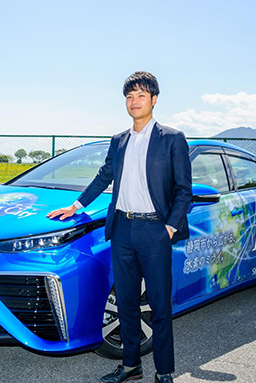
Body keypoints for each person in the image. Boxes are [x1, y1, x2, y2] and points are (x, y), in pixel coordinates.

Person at [47, 71, 192, 383]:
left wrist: (168, 228)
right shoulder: (119, 141)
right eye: (129, 96)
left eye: (140, 95)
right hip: (123, 229)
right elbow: (104, 176)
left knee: (158, 304)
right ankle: (130, 365)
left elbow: (184, 191)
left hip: (155, 231)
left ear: (154, 99)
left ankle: (164, 371)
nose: (134, 101)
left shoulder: (172, 139)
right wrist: (76, 206)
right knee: (125, 302)